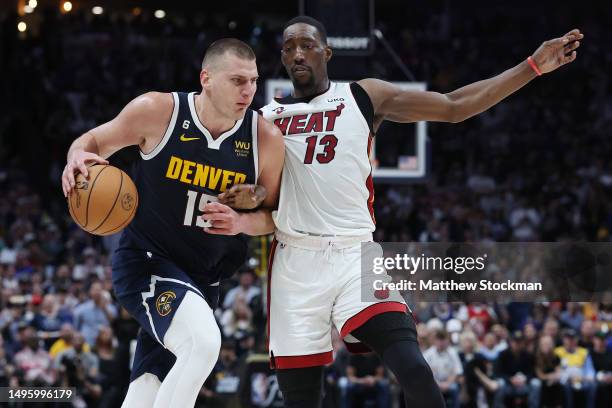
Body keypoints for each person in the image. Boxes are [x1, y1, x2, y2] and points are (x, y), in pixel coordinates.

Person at [249, 15, 583, 407]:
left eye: (306, 44)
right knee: (301, 400)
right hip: (295, 262)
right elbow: (260, 196)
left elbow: (454, 106)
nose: (297, 53)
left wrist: (531, 67)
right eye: (288, 47)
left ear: (327, 51)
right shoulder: (265, 121)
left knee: (414, 370)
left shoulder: (362, 96)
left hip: (354, 258)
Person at [61, 38, 284, 407]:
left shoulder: (265, 139)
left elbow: (273, 218)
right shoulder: (159, 111)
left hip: (202, 278)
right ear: (206, 78)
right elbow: (93, 141)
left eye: (254, 81)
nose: (249, 91)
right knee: (203, 343)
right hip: (147, 262)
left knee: (149, 386)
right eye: (237, 80)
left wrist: (242, 223)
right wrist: (75, 157)